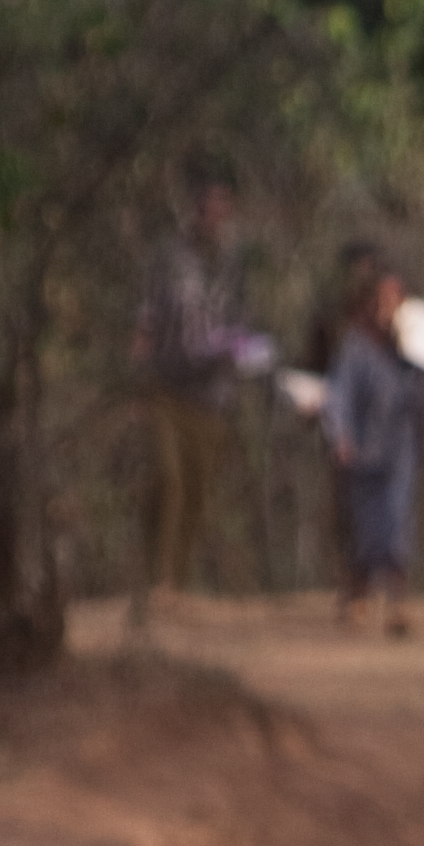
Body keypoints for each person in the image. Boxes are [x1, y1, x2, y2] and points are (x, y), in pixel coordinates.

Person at [129, 170, 256, 609]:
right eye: (208, 203)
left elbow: (241, 324)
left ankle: (175, 585)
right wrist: (139, 382)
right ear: (195, 207)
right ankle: (156, 578)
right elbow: (146, 320)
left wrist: (243, 353)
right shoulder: (169, 257)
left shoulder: (235, 261)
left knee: (199, 489)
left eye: (224, 203)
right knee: (168, 479)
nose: (215, 212)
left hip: (213, 394)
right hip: (167, 385)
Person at [323, 258, 424, 635]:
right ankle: (358, 597)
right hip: (361, 451)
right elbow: (339, 395)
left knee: (397, 523)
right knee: (363, 528)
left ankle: (398, 605)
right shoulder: (356, 345)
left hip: (400, 449)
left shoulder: (413, 350)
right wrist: (341, 437)